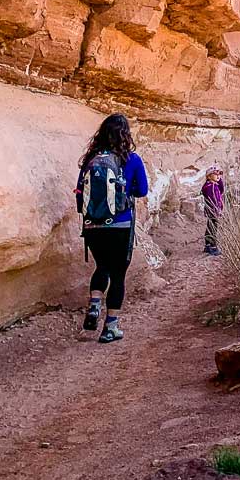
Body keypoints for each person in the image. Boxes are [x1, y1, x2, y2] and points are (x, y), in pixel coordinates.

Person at [75, 113, 148, 343]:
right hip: (120, 224)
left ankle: (95, 305)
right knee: (118, 275)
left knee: (102, 267)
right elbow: (142, 190)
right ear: (125, 135)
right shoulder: (132, 159)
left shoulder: (91, 160)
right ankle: (110, 328)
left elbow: (79, 192)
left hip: (93, 225)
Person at [201, 165, 224, 256]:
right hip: (213, 211)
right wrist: (217, 210)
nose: (218, 175)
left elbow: (221, 190)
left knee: (210, 226)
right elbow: (213, 199)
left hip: (213, 210)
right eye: (215, 174)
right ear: (209, 176)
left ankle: (207, 245)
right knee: (213, 229)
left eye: (220, 173)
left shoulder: (214, 185)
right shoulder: (210, 187)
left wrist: (220, 180)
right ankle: (212, 247)